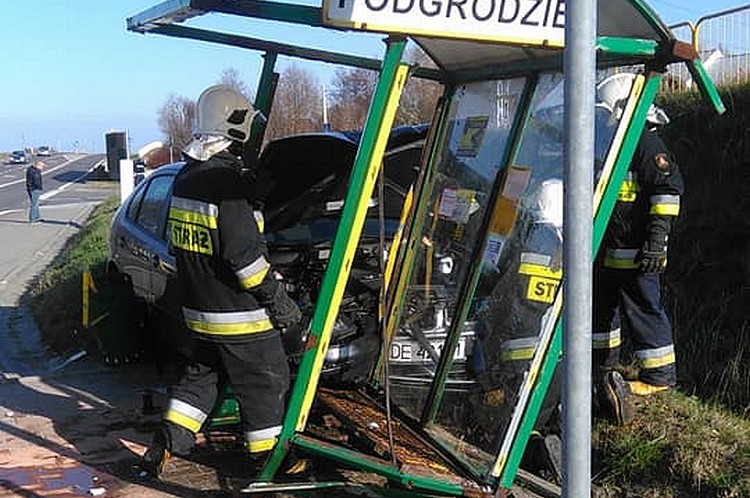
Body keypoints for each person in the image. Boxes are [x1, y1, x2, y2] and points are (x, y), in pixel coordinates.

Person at [139, 85, 302, 478]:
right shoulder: (229, 186)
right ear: (235, 128)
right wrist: (281, 304)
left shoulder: (184, 179)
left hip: (200, 315)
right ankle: (267, 461)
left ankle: (164, 444)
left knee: (200, 383)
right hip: (241, 320)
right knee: (265, 383)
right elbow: (246, 262)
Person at [592, 73, 684, 425]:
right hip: (611, 247)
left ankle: (659, 378)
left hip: (638, 249)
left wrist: (657, 240)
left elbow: (666, 194)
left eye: (607, 112)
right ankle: (601, 367)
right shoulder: (615, 143)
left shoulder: (647, 144)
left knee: (644, 307)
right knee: (602, 309)